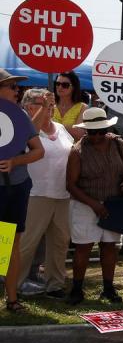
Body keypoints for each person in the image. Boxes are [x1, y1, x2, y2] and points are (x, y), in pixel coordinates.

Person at [65, 108, 123, 305]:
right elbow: (70, 185)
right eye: (93, 132)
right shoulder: (77, 151)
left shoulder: (117, 143)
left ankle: (108, 288)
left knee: (109, 245)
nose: (97, 136)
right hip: (85, 203)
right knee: (84, 247)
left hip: (113, 203)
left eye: (101, 131)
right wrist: (94, 205)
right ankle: (77, 288)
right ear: (86, 131)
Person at [18, 89, 73, 300]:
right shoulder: (27, 129)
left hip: (62, 195)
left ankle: (55, 284)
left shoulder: (59, 127)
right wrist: (43, 109)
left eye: (50, 104)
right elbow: (28, 137)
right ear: (30, 107)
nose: (50, 107)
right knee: (27, 243)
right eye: (43, 104)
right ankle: (16, 283)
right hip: (36, 194)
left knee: (59, 242)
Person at [0, 70, 44, 312]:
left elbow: (38, 151)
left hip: (15, 187)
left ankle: (12, 299)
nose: (17, 91)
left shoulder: (20, 117)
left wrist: (15, 162)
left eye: (17, 87)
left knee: (10, 243)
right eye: (11, 87)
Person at [53, 71, 86, 140]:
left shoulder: (83, 107)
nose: (60, 87)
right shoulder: (50, 104)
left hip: (72, 149)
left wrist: (51, 125)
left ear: (74, 87)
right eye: (57, 84)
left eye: (65, 85)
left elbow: (79, 133)